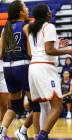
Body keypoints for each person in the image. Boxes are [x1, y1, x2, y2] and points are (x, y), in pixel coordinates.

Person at [28, 4, 72, 139]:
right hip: (45, 68)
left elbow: (39, 48)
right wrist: (68, 51)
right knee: (57, 107)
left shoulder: (32, 29)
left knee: (44, 107)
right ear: (46, 14)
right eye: (49, 10)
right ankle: (43, 136)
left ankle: (39, 135)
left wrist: (57, 44)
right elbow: (49, 50)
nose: (51, 12)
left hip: (33, 68)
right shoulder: (49, 26)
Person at [0, 1, 40, 139]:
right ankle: (36, 135)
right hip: (23, 66)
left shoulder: (6, 28)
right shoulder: (26, 26)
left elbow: (0, 53)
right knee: (36, 104)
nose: (27, 9)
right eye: (25, 7)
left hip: (7, 68)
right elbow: (30, 51)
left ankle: (2, 132)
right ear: (20, 12)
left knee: (15, 105)